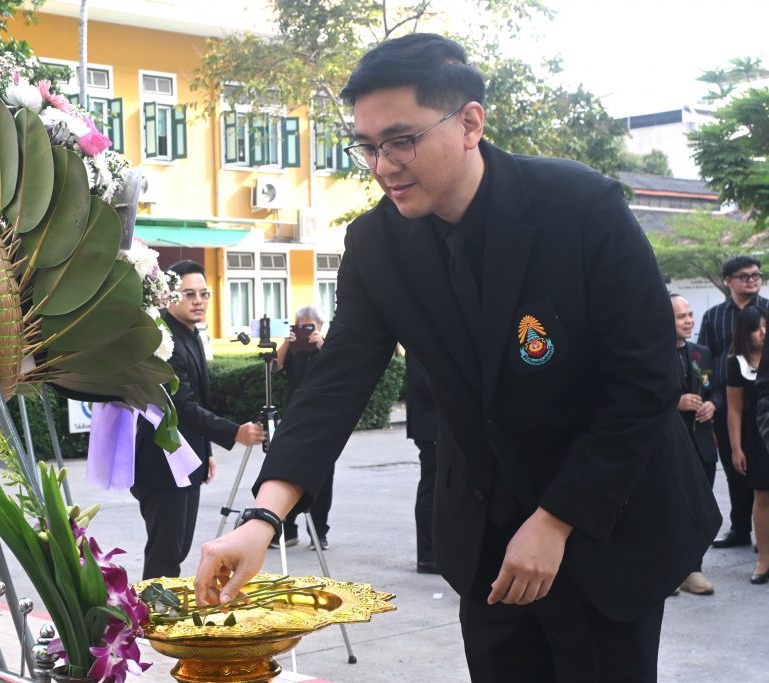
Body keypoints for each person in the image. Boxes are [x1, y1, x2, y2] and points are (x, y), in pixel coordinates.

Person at [195, 33, 720, 682]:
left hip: (609, 525)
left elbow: (646, 381)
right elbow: (337, 382)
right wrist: (262, 518)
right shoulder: (376, 244)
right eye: (368, 147)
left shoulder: (581, 209)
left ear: (469, 122)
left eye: (402, 140)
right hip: (486, 537)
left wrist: (557, 519)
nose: (383, 166)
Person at [131, 260, 264, 580]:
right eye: (188, 294)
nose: (198, 301)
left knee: (177, 549)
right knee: (165, 554)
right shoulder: (163, 340)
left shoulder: (190, 334)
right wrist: (235, 433)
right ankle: (154, 620)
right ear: (169, 296)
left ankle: (162, 614)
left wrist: (205, 454)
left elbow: (197, 403)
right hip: (163, 466)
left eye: (204, 293)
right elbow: (182, 407)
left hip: (186, 460)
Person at [697, 255, 769, 549]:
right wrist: (709, 397)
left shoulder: (766, 311)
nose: (751, 279)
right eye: (744, 276)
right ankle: (740, 528)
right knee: (735, 467)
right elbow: (703, 358)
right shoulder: (714, 316)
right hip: (729, 405)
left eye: (755, 274)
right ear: (728, 281)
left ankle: (763, 535)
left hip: (763, 400)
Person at [272, 305, 330, 551]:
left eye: (310, 327)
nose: (306, 333)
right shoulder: (293, 349)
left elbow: (338, 369)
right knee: (289, 474)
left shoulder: (326, 348)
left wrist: (321, 344)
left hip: (322, 421)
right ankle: (289, 529)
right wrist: (286, 343)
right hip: (293, 418)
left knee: (322, 479)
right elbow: (275, 368)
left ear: (319, 327)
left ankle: (319, 532)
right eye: (301, 327)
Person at [670, 293, 717, 595]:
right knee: (671, 508)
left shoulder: (702, 353)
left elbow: (717, 390)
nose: (688, 321)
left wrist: (712, 404)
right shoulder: (653, 354)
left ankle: (693, 568)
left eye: (689, 315)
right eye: (680, 316)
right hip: (671, 446)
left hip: (702, 442)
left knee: (700, 508)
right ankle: (669, 570)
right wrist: (676, 402)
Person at [725, 306, 769, 584]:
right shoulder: (735, 362)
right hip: (755, 439)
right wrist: (736, 447)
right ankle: (764, 559)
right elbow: (735, 409)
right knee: (762, 498)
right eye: (756, 328)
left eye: (766, 326)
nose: (763, 333)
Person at [406, 352, 440, 574]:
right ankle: (428, 555)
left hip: (432, 422)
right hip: (431, 424)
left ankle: (432, 553)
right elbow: (425, 383)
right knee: (431, 487)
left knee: (435, 487)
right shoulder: (421, 338)